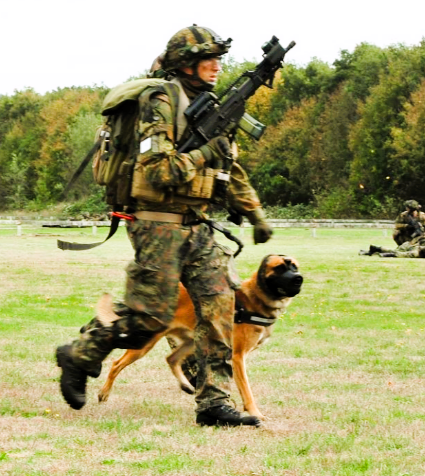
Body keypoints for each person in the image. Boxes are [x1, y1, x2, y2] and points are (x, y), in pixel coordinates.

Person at [55, 26, 274, 427]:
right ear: (185, 64)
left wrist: (255, 213)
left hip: (198, 225)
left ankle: (214, 403)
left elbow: (228, 166)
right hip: (157, 224)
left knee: (220, 309)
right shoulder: (160, 102)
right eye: (206, 59)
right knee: (151, 317)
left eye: (217, 58)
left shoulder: (208, 105)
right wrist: (207, 150)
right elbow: (158, 171)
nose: (216, 66)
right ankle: (81, 354)